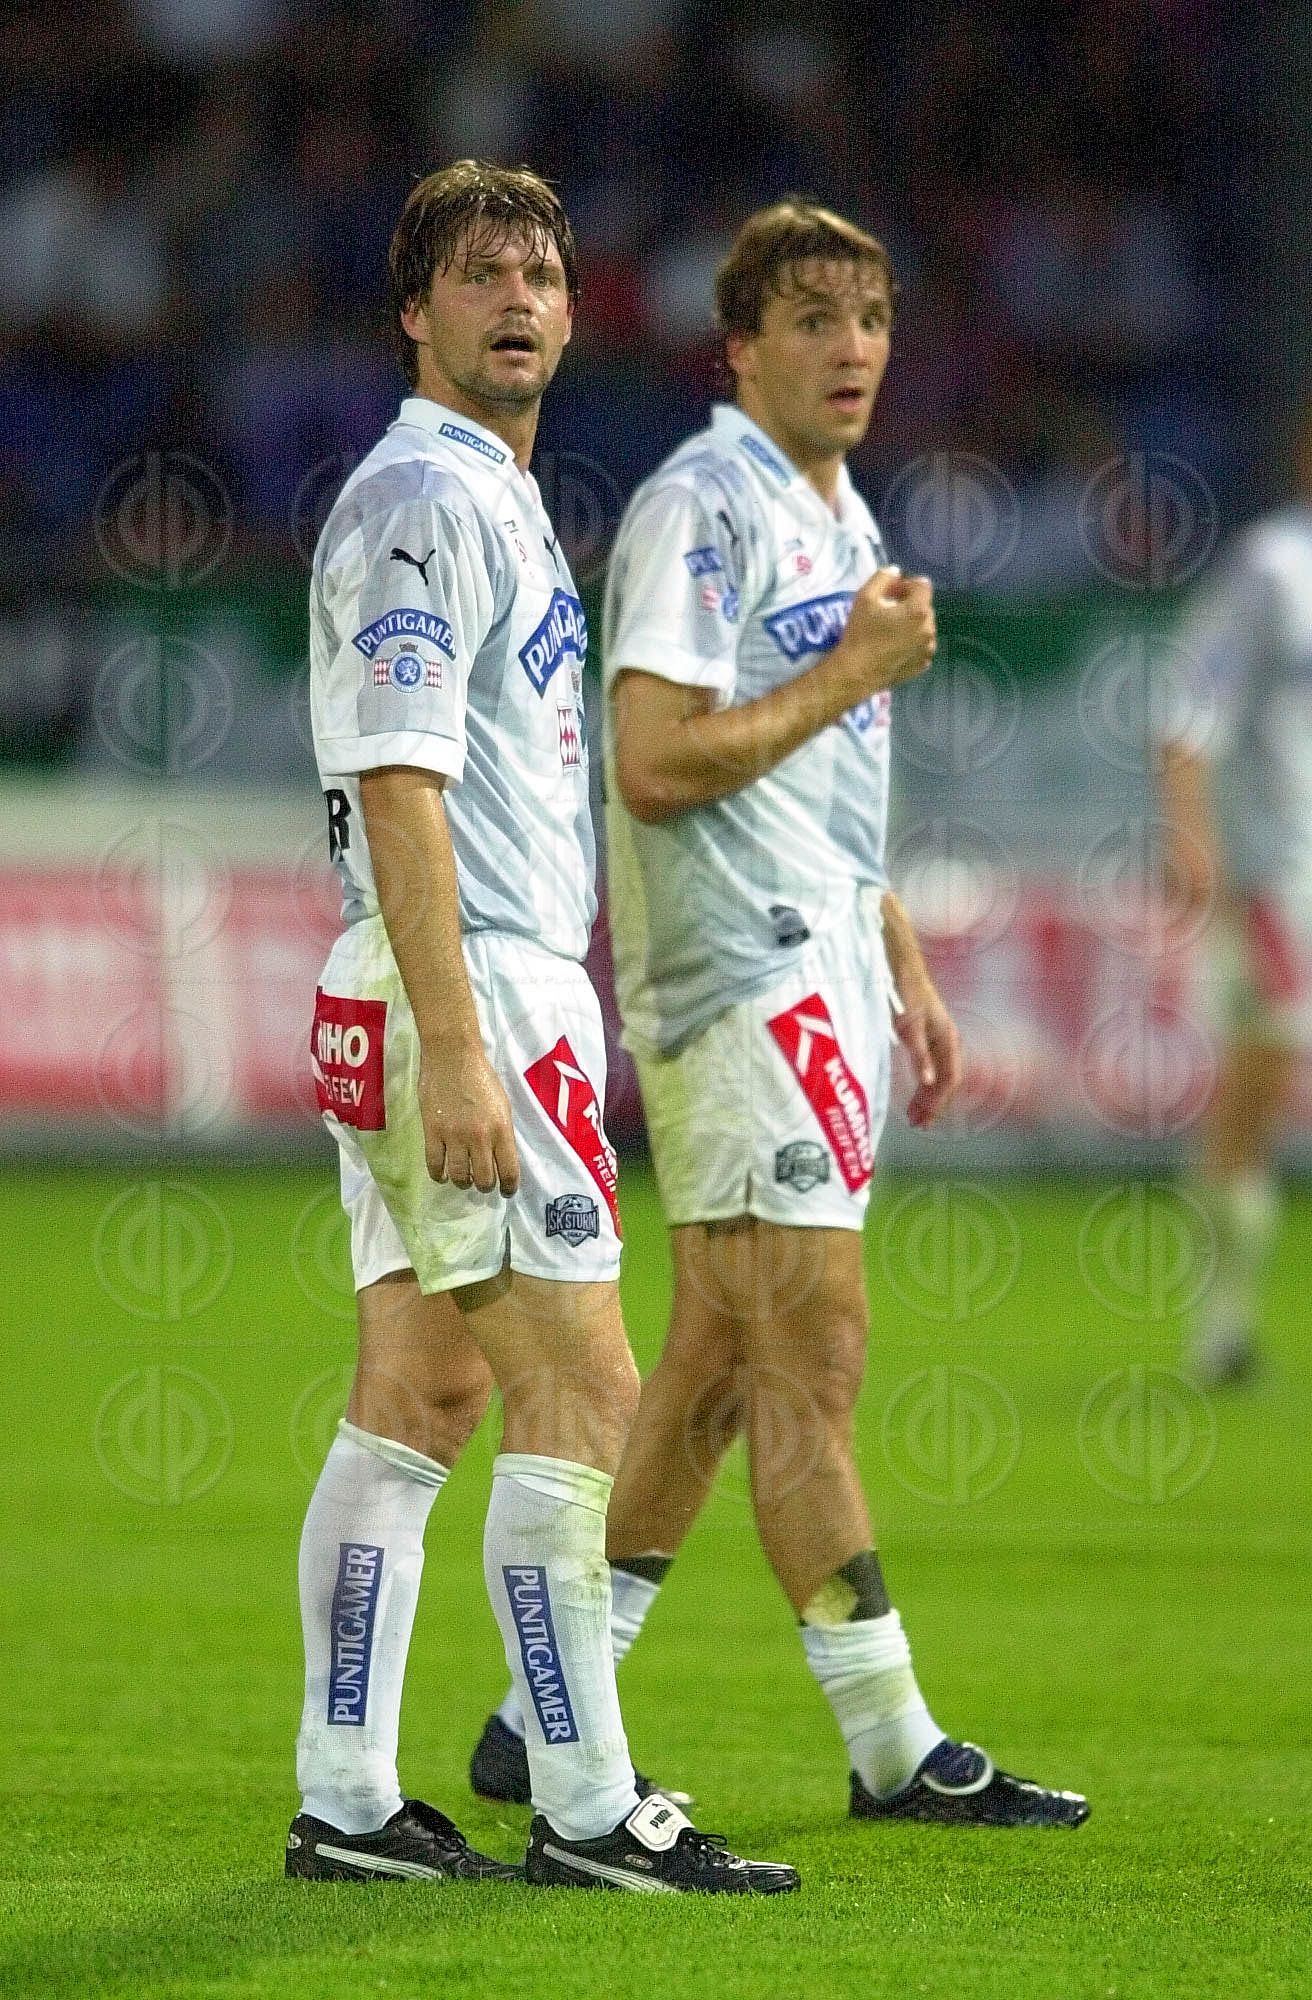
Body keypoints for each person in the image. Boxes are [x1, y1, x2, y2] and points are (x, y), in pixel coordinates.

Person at [471, 198, 1089, 1830]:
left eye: (871, 318)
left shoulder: (837, 507)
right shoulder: (703, 506)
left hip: (818, 970)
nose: (852, 347)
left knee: (719, 1370)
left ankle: (538, 1713)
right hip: (738, 985)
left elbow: (821, 790)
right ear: (738, 348)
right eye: (813, 319)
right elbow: (653, 761)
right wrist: (852, 675)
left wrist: (897, 954)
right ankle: (893, 1742)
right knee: (812, 1357)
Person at [289, 160, 798, 1896]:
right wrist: (458, 1045)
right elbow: (401, 782)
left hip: (432, 981)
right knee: (585, 1390)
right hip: (467, 986)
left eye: (540, 275)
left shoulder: (485, 499)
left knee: (419, 1392)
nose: (516, 297)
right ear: (412, 312)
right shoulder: (422, 499)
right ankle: (588, 1808)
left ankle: (346, 1797)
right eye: (476, 272)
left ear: (575, 316)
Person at [1157, 402, 1312, 1386]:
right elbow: (1188, 708)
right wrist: (1190, 832)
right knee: (1260, 1086)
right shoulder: (1271, 569)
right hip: (1279, 876)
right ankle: (1221, 1321)